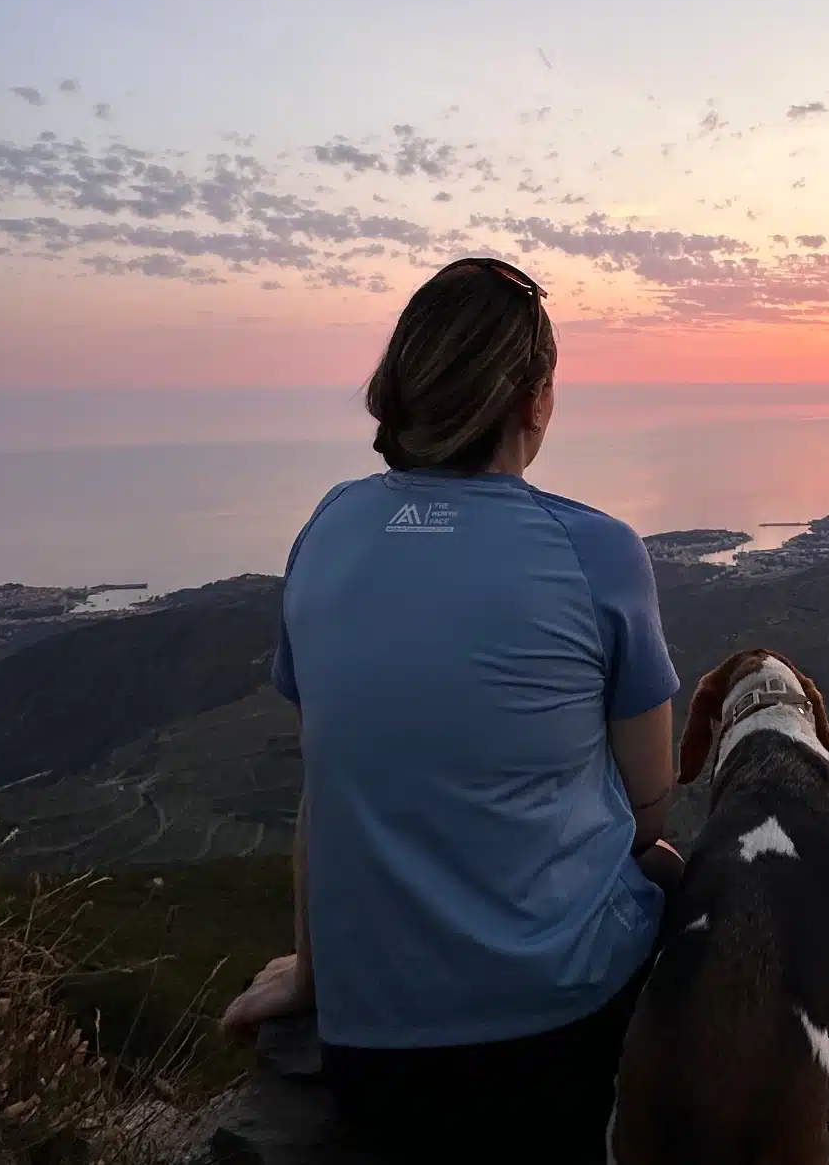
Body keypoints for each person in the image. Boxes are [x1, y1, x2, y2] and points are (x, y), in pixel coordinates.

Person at [218, 257, 683, 1163]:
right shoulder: (597, 551)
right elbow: (649, 807)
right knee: (691, 869)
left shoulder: (327, 529)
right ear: (537, 400)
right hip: (561, 1036)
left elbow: (330, 783)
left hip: (370, 1056)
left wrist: (316, 977)